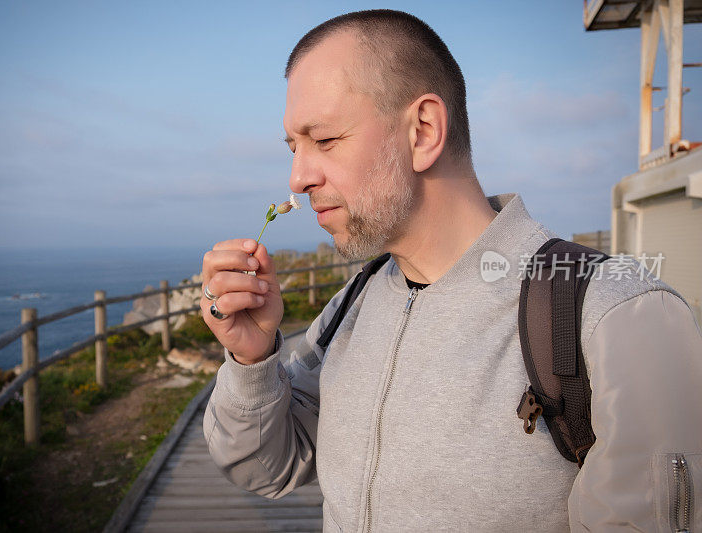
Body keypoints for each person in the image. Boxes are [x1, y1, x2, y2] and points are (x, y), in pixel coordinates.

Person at [199, 9, 702, 532]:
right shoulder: (354, 303)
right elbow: (265, 467)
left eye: (323, 140)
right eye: (293, 147)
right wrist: (253, 359)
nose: (297, 177)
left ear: (423, 131)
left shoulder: (613, 315)